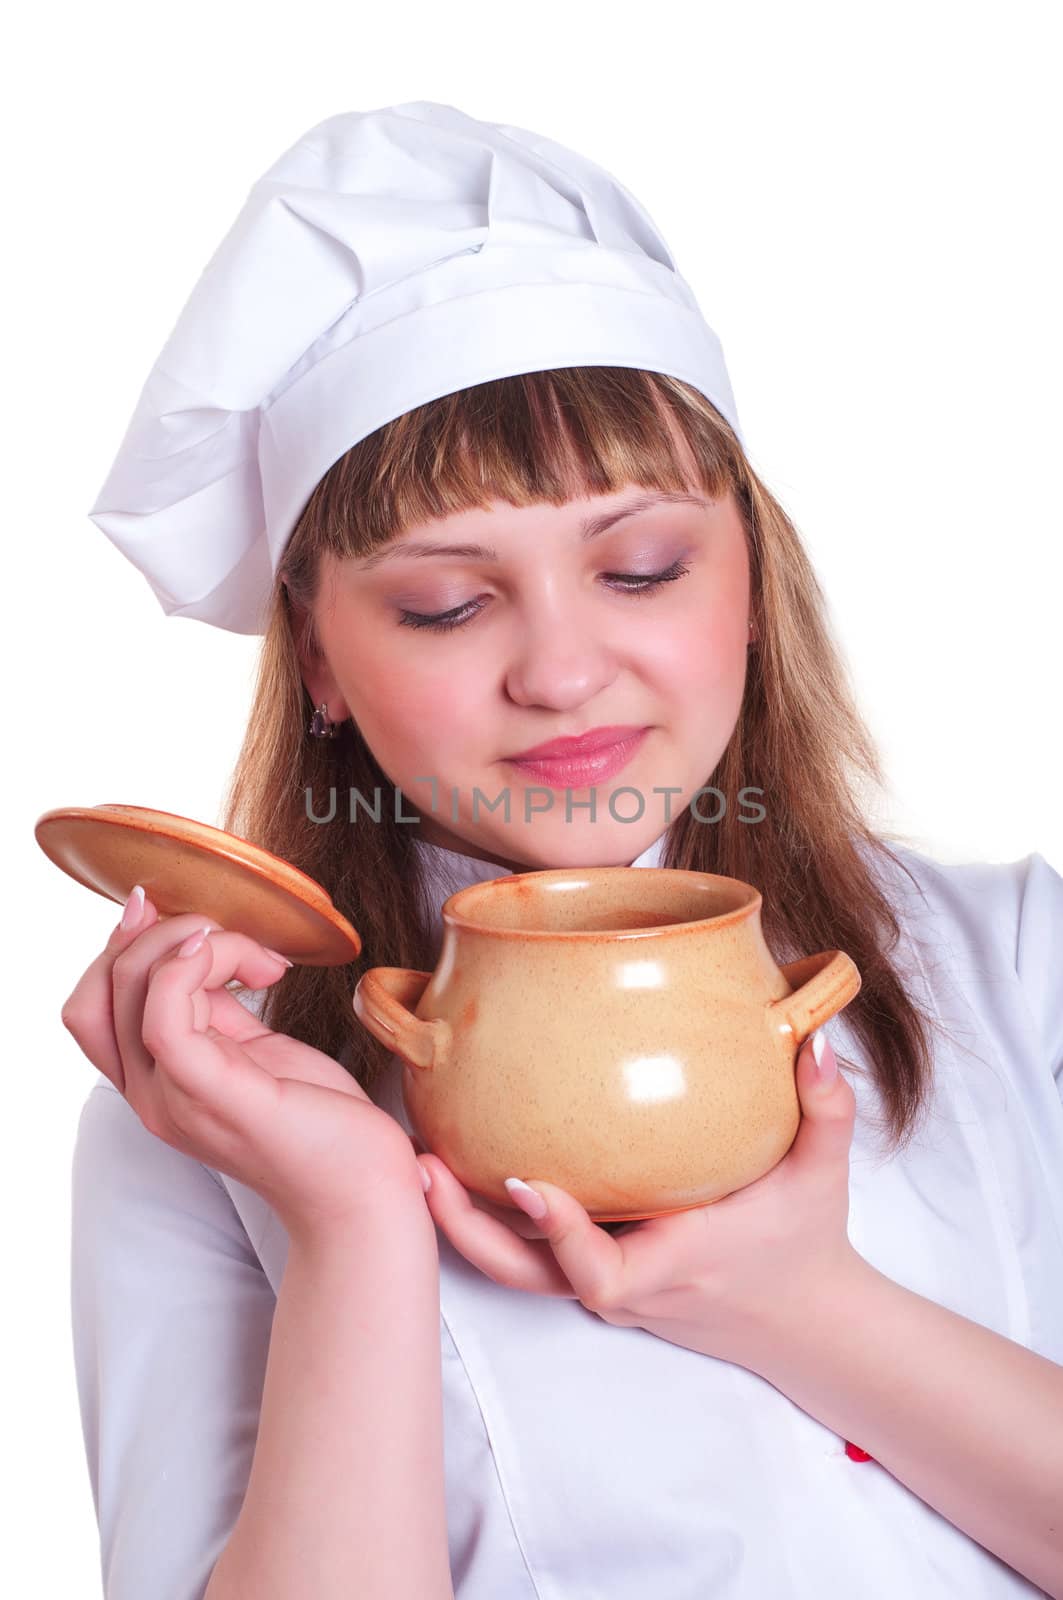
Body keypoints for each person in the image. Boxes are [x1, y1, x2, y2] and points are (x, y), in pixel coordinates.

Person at [63, 102, 1063, 1600]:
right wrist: (349, 1228)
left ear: (748, 575)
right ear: (320, 660)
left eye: (643, 568)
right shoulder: (208, 1109)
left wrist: (796, 1301)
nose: (564, 672)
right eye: (448, 606)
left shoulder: (1021, 965)